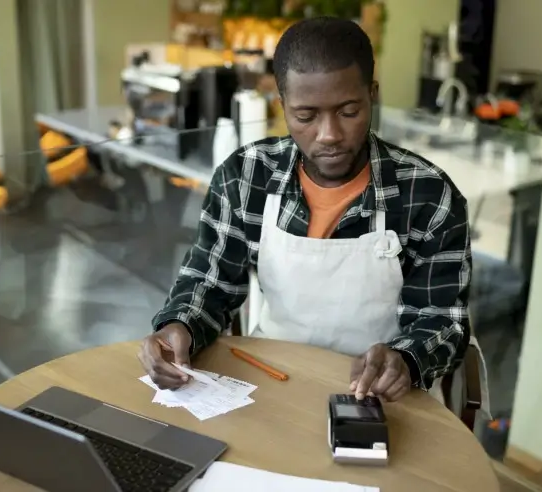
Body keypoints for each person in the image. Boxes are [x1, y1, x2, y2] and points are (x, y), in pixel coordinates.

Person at [139, 17, 471, 404]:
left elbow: (442, 318)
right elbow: (209, 283)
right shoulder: (247, 176)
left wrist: (406, 359)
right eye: (306, 116)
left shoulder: (429, 194)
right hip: (270, 380)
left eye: (348, 111)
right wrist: (179, 326)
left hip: (376, 394)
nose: (329, 134)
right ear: (282, 106)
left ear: (372, 95)